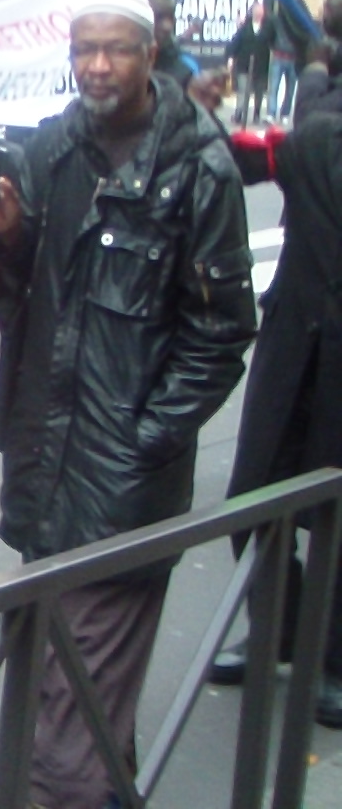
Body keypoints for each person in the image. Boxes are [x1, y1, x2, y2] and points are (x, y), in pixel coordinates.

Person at [0, 0, 255, 808]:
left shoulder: (197, 166)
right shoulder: (53, 146)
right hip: (43, 466)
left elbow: (224, 330)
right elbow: (9, 288)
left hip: (121, 489)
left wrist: (141, 441)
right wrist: (5, 228)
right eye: (83, 49)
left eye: (115, 49)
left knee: (69, 729)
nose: (96, 66)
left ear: (151, 51)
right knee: (71, 704)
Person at [208, 110, 342, 725]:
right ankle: (279, 627)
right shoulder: (317, 137)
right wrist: (189, 101)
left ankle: (336, 658)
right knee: (254, 499)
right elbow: (232, 157)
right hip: (295, 348)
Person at [226, 0, 273, 127]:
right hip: (244, 64)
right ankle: (239, 114)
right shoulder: (244, 27)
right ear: (252, 12)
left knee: (259, 91)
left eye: (261, 11)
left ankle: (257, 115)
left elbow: (274, 41)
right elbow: (234, 43)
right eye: (256, 11)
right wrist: (231, 58)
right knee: (243, 90)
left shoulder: (268, 27)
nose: (259, 13)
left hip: (261, 65)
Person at [147, 0, 200, 91]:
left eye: (171, 18)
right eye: (159, 17)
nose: (167, 26)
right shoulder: (127, 66)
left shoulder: (186, 66)